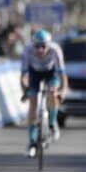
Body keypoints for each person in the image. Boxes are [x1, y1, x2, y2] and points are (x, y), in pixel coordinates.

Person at [20, 29, 68, 157]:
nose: (40, 50)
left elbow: (62, 75)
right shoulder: (27, 51)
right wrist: (26, 91)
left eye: (43, 46)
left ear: (49, 45)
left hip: (51, 72)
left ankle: (52, 123)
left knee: (52, 92)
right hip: (34, 73)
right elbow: (23, 76)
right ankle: (31, 141)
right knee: (33, 103)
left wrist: (62, 91)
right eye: (37, 46)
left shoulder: (55, 50)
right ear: (32, 45)